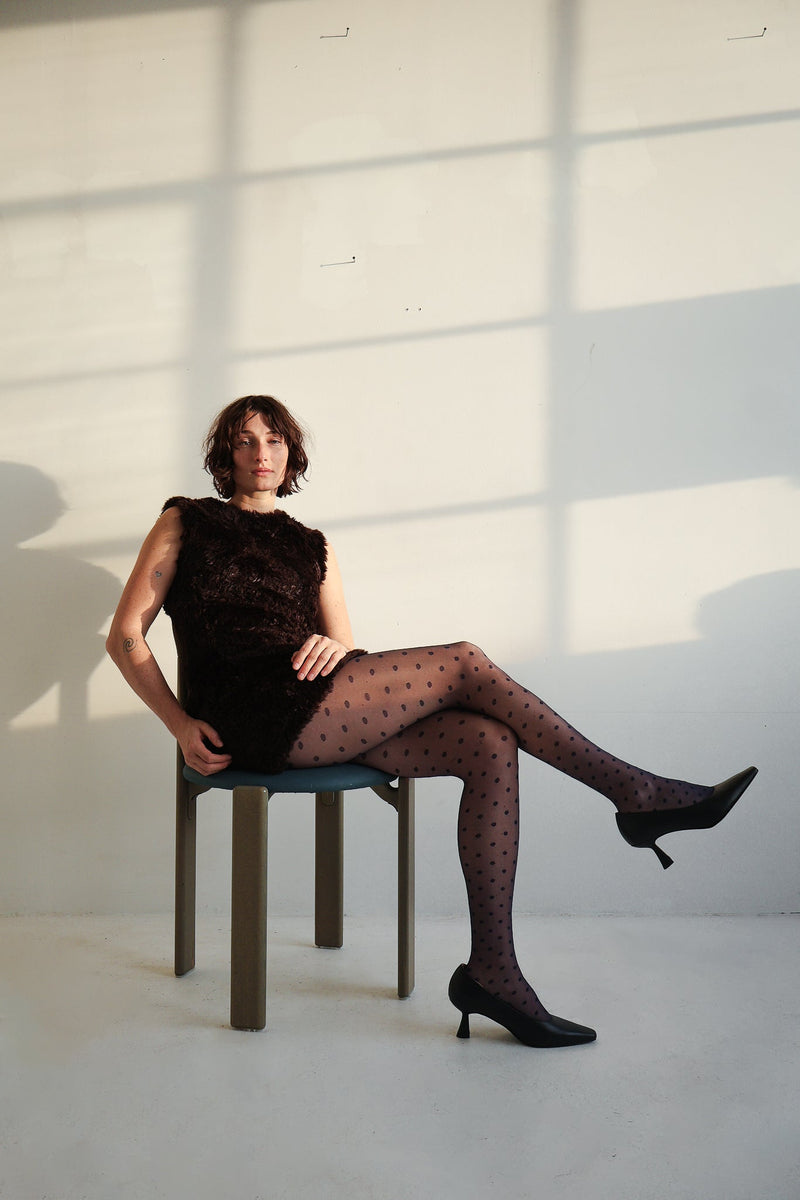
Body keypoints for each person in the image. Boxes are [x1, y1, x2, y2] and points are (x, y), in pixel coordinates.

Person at [107, 395, 758, 1048]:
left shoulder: (313, 546)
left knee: (487, 742)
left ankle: (494, 973)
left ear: (291, 453)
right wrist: (177, 723)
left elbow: (345, 652)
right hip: (242, 712)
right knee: (465, 662)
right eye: (246, 442)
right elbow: (126, 636)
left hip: (311, 706)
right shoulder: (187, 521)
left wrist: (337, 650)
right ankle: (636, 794)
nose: (262, 454)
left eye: (275, 441)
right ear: (226, 455)